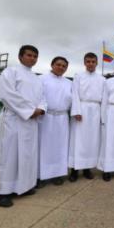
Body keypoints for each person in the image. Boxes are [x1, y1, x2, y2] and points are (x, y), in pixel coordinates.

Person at [0, 45, 46, 207]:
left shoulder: (36, 78)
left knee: (26, 155)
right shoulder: (10, 72)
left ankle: (23, 186)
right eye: (29, 55)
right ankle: (2, 191)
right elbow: (6, 94)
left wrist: (41, 109)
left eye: (35, 56)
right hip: (13, 119)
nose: (32, 58)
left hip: (30, 122)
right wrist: (30, 110)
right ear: (20, 56)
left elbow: (43, 98)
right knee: (8, 155)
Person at [68, 52, 105, 182]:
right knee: (78, 140)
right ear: (84, 63)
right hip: (81, 110)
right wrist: (77, 110)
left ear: (96, 63)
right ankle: (74, 169)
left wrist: (102, 115)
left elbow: (104, 99)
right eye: (88, 61)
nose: (90, 64)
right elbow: (75, 94)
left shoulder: (102, 79)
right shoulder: (78, 76)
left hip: (95, 110)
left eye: (93, 62)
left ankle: (87, 168)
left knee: (92, 140)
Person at [37, 57, 72, 187]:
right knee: (44, 146)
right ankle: (40, 176)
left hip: (62, 118)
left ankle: (57, 174)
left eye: (64, 66)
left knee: (60, 147)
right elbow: (38, 96)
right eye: (58, 64)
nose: (61, 67)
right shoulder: (41, 79)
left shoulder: (69, 83)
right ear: (52, 65)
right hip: (46, 117)